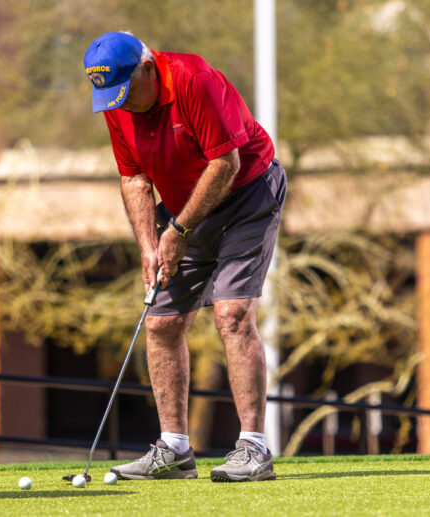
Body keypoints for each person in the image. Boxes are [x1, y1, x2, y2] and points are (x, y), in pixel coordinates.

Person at [83, 32, 286, 482]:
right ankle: (174, 449)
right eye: (109, 96)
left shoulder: (193, 80)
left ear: (148, 69)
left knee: (232, 313)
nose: (120, 104)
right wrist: (148, 247)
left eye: (124, 90)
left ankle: (253, 448)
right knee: (161, 322)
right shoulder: (119, 106)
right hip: (182, 209)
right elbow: (134, 179)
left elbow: (225, 165)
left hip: (247, 195)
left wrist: (177, 231)